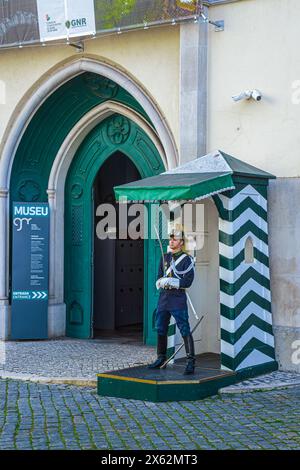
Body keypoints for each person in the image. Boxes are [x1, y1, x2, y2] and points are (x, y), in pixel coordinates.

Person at [148, 229, 196, 374]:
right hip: (164, 298)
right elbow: (158, 276)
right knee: (160, 327)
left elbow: (188, 281)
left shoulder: (187, 259)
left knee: (184, 329)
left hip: (177, 299)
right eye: (170, 239)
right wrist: (160, 282)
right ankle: (161, 357)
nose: (171, 241)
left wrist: (173, 281)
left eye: (175, 239)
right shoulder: (165, 257)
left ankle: (190, 361)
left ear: (181, 242)